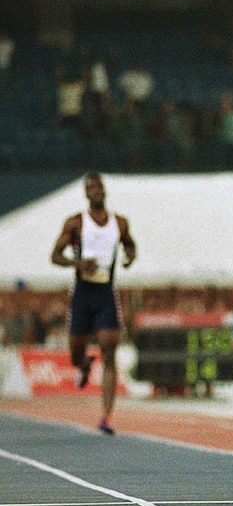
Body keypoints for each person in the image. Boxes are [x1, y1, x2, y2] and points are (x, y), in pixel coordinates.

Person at [50, 173, 136, 435]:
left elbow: (131, 246)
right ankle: (84, 364)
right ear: (86, 194)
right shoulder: (76, 223)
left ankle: (107, 417)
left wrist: (129, 258)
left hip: (106, 294)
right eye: (90, 188)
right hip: (83, 294)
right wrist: (78, 264)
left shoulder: (119, 223)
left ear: (104, 190)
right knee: (75, 353)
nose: (95, 191)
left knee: (110, 350)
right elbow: (55, 255)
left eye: (98, 186)